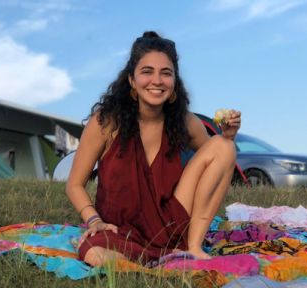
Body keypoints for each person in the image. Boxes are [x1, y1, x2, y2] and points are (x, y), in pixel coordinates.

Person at [66, 31, 241, 267]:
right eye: (147, 72)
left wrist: (227, 137)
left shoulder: (184, 121)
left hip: (172, 224)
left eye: (165, 73)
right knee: (95, 255)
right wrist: (94, 221)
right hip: (120, 230)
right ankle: (150, 264)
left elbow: (217, 158)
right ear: (131, 80)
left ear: (174, 81)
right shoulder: (106, 122)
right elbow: (74, 184)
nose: (157, 81)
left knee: (224, 146)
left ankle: (193, 248)